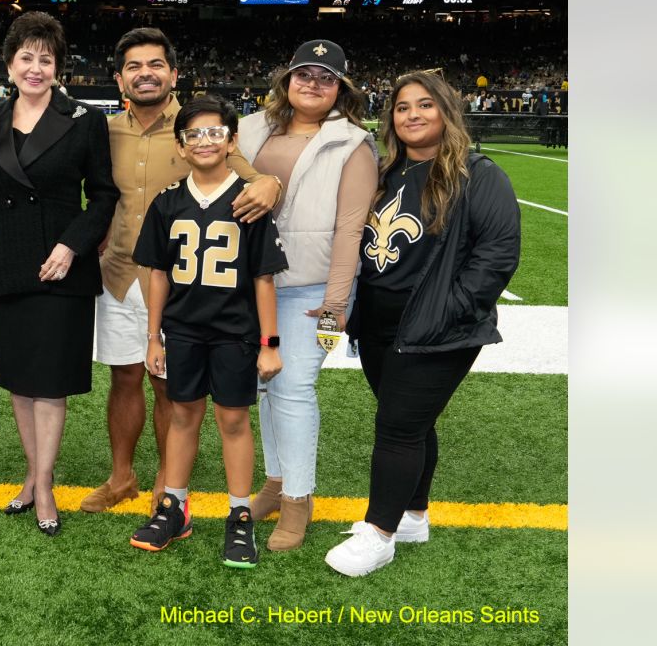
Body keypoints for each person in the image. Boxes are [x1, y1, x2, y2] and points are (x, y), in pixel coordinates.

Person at [325, 70, 520, 577]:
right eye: (402, 106)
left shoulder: (478, 174)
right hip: (376, 327)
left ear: (447, 112)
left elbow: (497, 256)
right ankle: (412, 515)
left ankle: (379, 533)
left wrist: (449, 311)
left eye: (425, 105)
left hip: (436, 329)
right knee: (411, 423)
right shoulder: (386, 173)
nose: (412, 114)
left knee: (396, 428)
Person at [84, 28, 280, 516]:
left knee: (168, 384)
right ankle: (121, 476)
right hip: (117, 272)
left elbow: (252, 182)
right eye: (133, 66)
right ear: (119, 78)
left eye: (155, 64)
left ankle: (165, 483)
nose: (144, 73)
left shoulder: (198, 128)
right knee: (124, 378)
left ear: (173, 73)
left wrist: (272, 183)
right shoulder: (105, 131)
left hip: (176, 279)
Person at [0, 11, 119, 536]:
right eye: (26, 57)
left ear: (58, 67)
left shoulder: (84, 118)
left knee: (50, 383)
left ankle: (45, 483)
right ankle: (32, 477)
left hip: (62, 270)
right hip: (8, 265)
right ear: (9, 64)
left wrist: (72, 245)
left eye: (46, 59)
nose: (36, 67)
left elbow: (104, 195)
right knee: (19, 380)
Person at [130, 96, 287, 567]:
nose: (204, 141)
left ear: (232, 140)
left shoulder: (249, 200)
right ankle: (174, 507)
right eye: (193, 134)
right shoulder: (168, 202)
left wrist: (269, 343)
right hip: (183, 331)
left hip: (235, 333)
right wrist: (154, 336)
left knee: (234, 421)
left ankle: (240, 516)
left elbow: (263, 277)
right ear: (180, 146)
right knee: (182, 415)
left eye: (214, 132)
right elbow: (158, 273)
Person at [235, 39, 378, 552]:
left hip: (312, 288)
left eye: (326, 77)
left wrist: (338, 300)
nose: (313, 83)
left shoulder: (353, 143)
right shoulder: (250, 129)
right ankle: (275, 484)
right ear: (287, 79)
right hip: (254, 284)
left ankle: (298, 500)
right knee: (269, 388)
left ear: (340, 88)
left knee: (294, 389)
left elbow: (349, 228)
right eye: (305, 73)